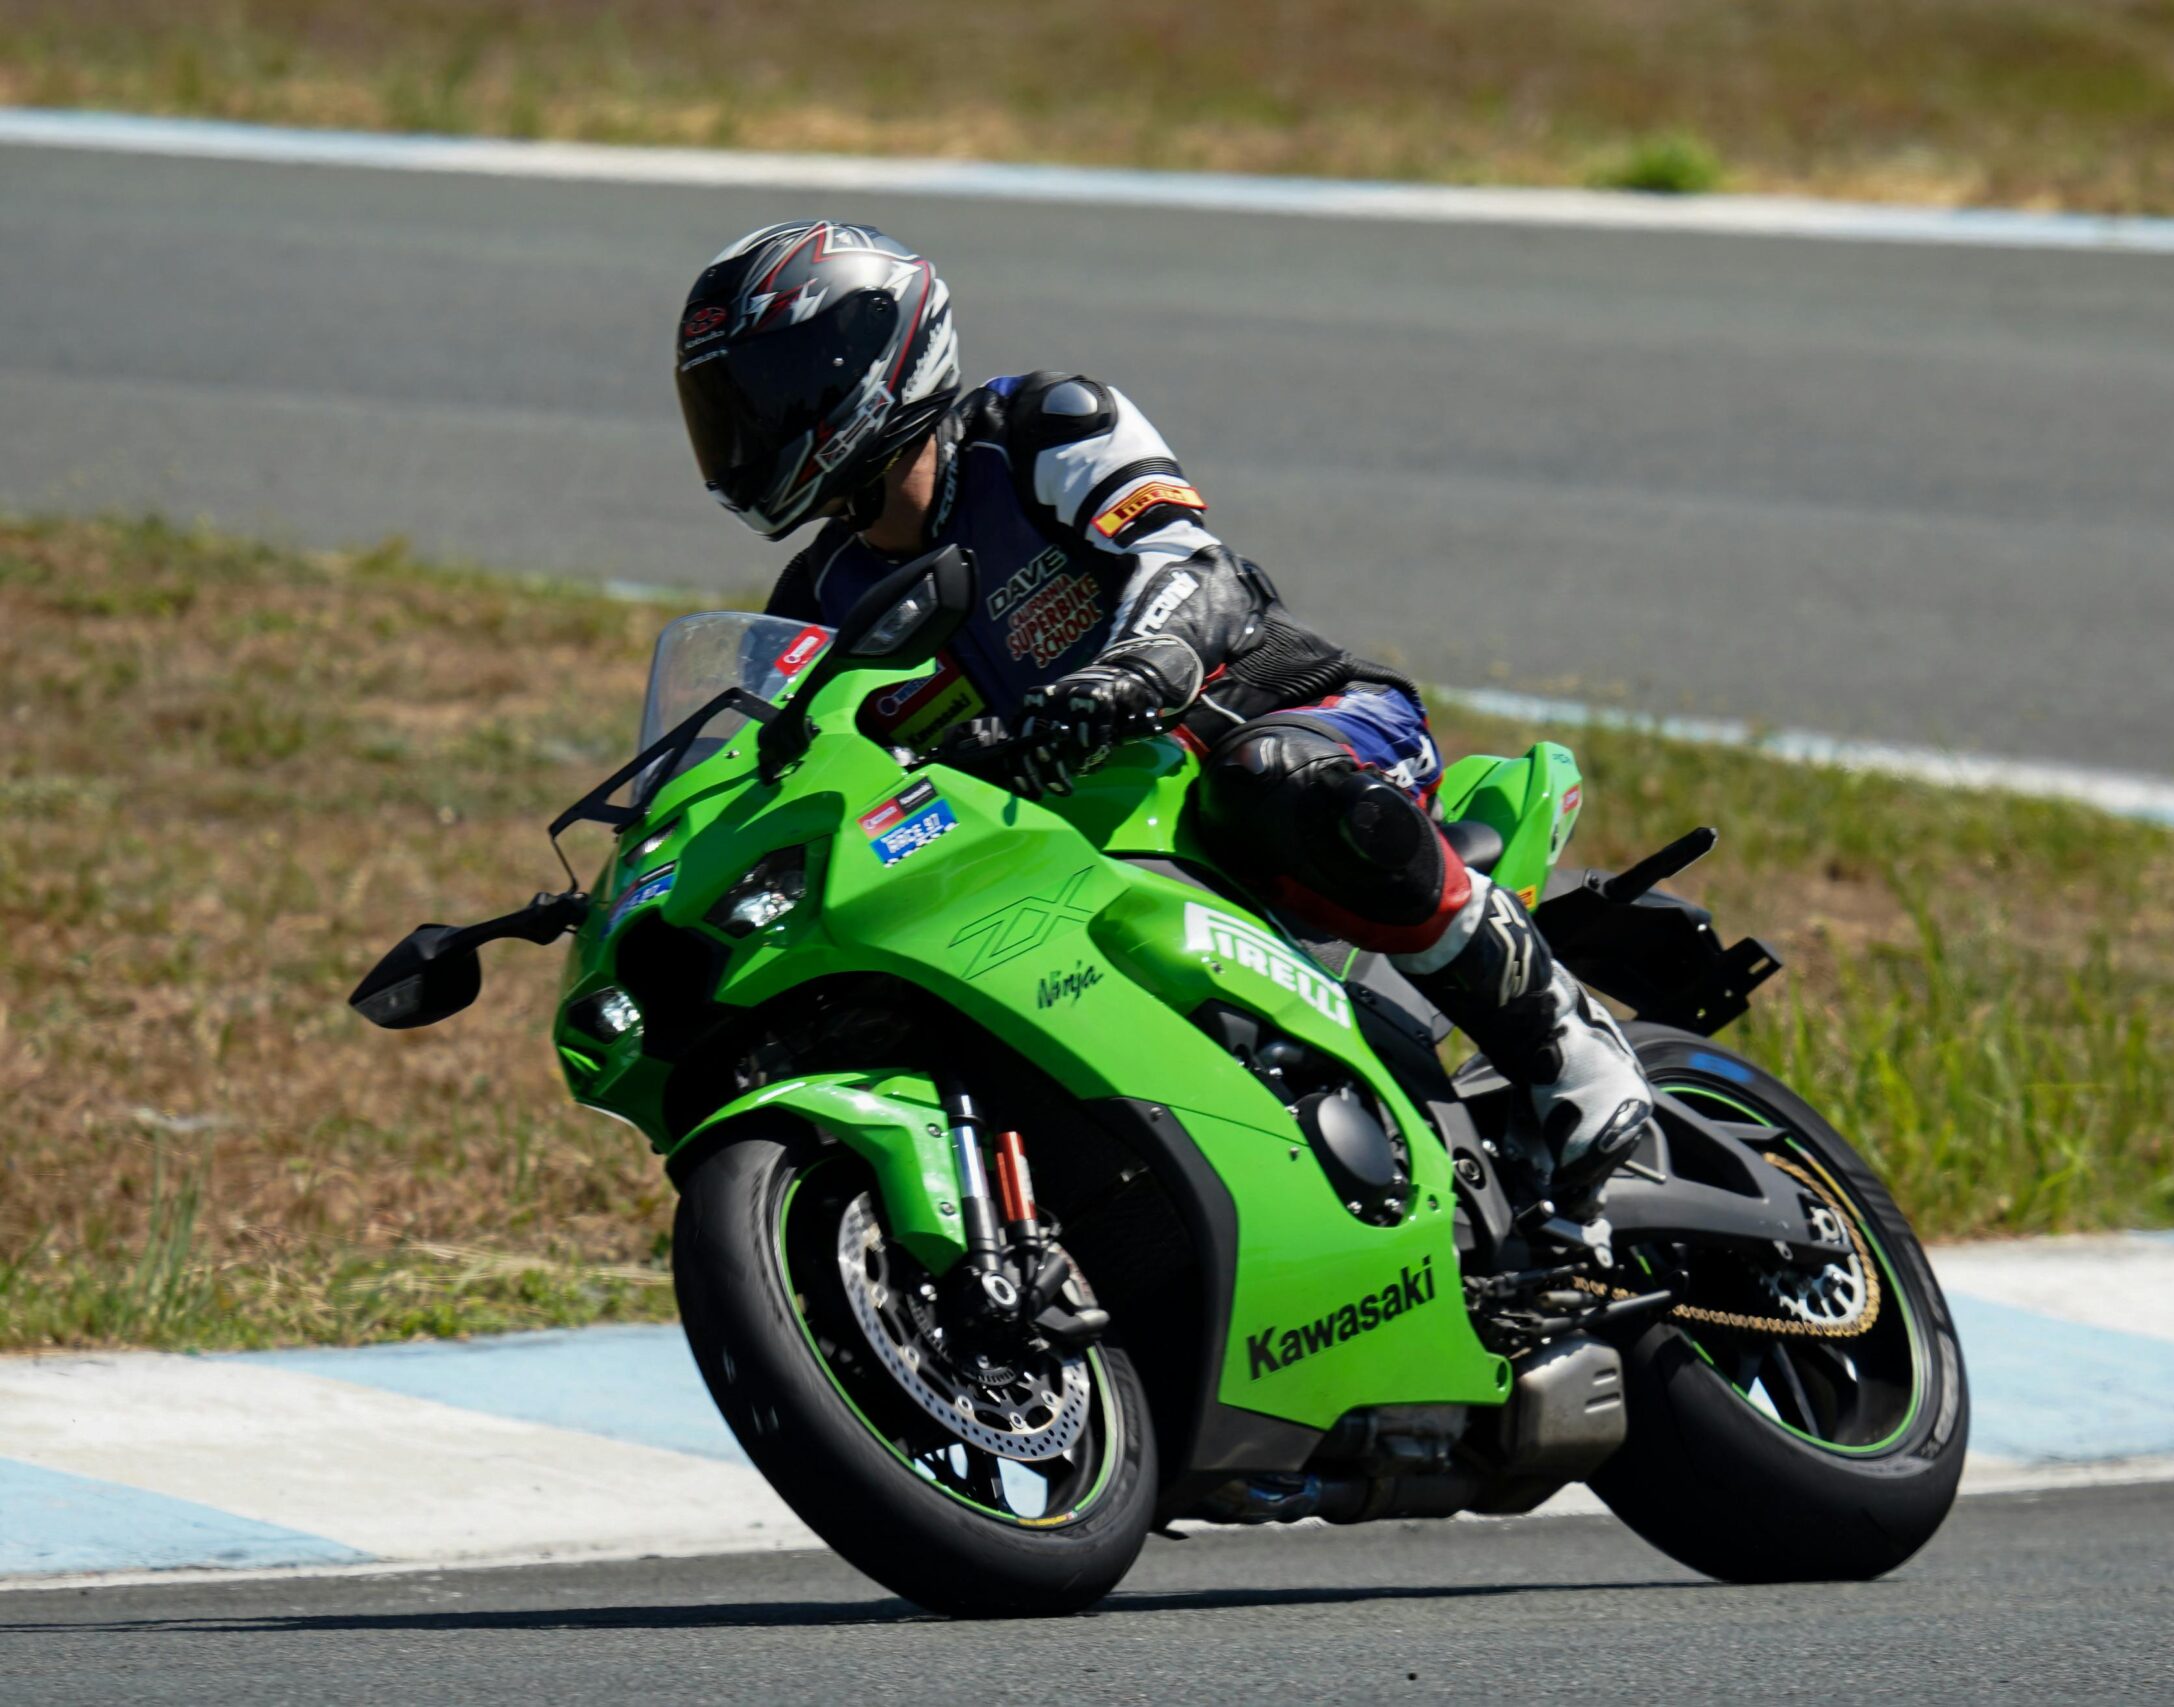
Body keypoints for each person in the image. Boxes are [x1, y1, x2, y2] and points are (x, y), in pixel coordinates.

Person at [674, 220, 1651, 1224]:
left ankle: (1566, 1048)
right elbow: (797, 760)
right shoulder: (819, 596)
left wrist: (1138, 666)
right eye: (723, 407)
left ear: (872, 358)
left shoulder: (1039, 427)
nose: (745, 429)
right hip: (1087, 832)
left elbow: (1193, 567)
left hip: (1285, 717)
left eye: (767, 390)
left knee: (1268, 776)